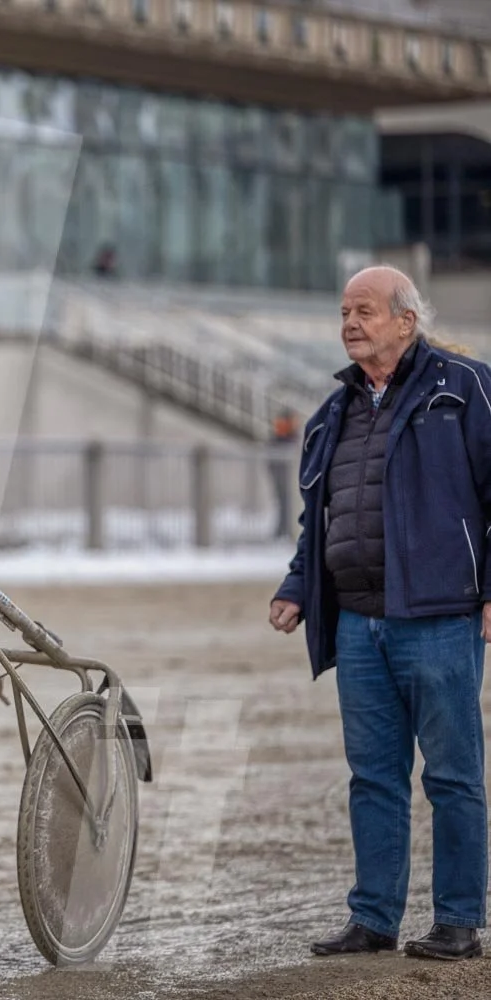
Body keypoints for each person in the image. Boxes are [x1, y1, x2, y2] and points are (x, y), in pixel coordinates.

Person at [270, 265, 489, 961]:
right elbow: (319, 519)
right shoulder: (332, 413)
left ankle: (458, 920)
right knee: (373, 777)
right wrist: (298, 586)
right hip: (359, 623)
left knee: (452, 775)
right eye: (343, 312)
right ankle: (374, 918)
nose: (350, 323)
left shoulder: (466, 387)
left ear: (405, 318)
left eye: (364, 310)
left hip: (440, 617)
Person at [268, 407, 300, 540]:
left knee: (287, 503)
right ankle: (283, 529)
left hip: (289, 477)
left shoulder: (291, 438)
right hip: (282, 476)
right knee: (283, 502)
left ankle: (285, 529)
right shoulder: (279, 439)